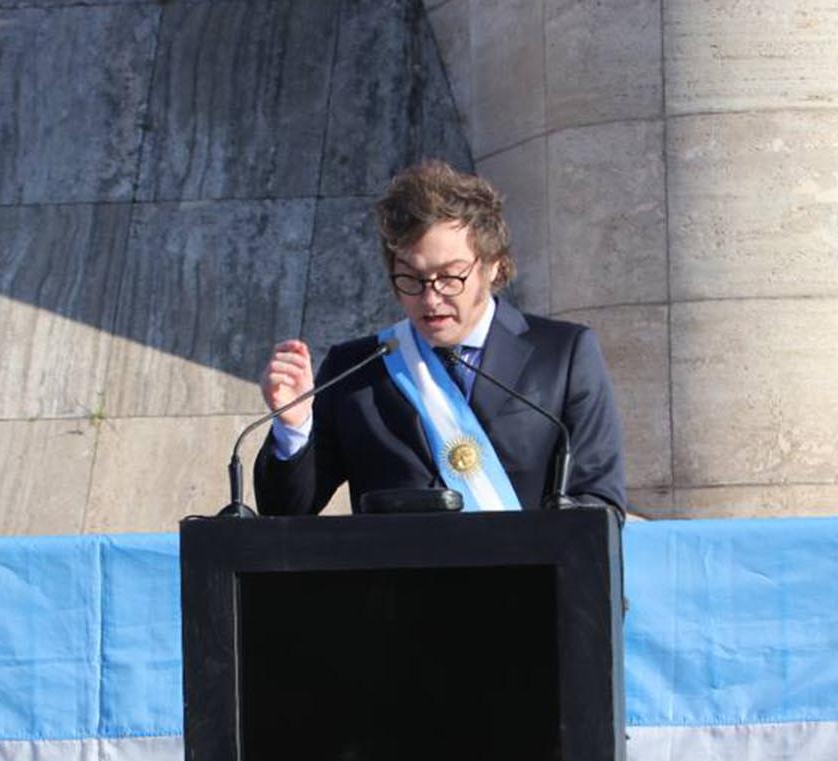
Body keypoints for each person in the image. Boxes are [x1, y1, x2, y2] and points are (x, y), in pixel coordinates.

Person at [254, 160, 625, 516]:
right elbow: (286, 511)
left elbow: (598, 500)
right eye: (411, 279)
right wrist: (294, 428)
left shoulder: (563, 356)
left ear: (493, 264)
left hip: (526, 579)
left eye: (450, 277)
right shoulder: (355, 370)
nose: (430, 299)